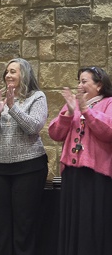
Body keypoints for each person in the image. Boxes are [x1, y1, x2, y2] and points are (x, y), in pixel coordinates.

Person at [0, 58, 48, 255]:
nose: (8, 75)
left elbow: (33, 127)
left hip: (29, 167)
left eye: (13, 71)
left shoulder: (37, 97)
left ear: (24, 74)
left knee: (24, 224)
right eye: (7, 72)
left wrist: (13, 107)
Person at [48, 67, 112, 255]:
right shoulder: (73, 105)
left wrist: (86, 110)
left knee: (91, 223)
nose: (79, 85)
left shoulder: (108, 103)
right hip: (72, 173)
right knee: (73, 221)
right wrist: (68, 112)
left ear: (99, 85)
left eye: (84, 81)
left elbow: (108, 131)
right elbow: (55, 133)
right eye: (79, 81)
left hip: (96, 175)